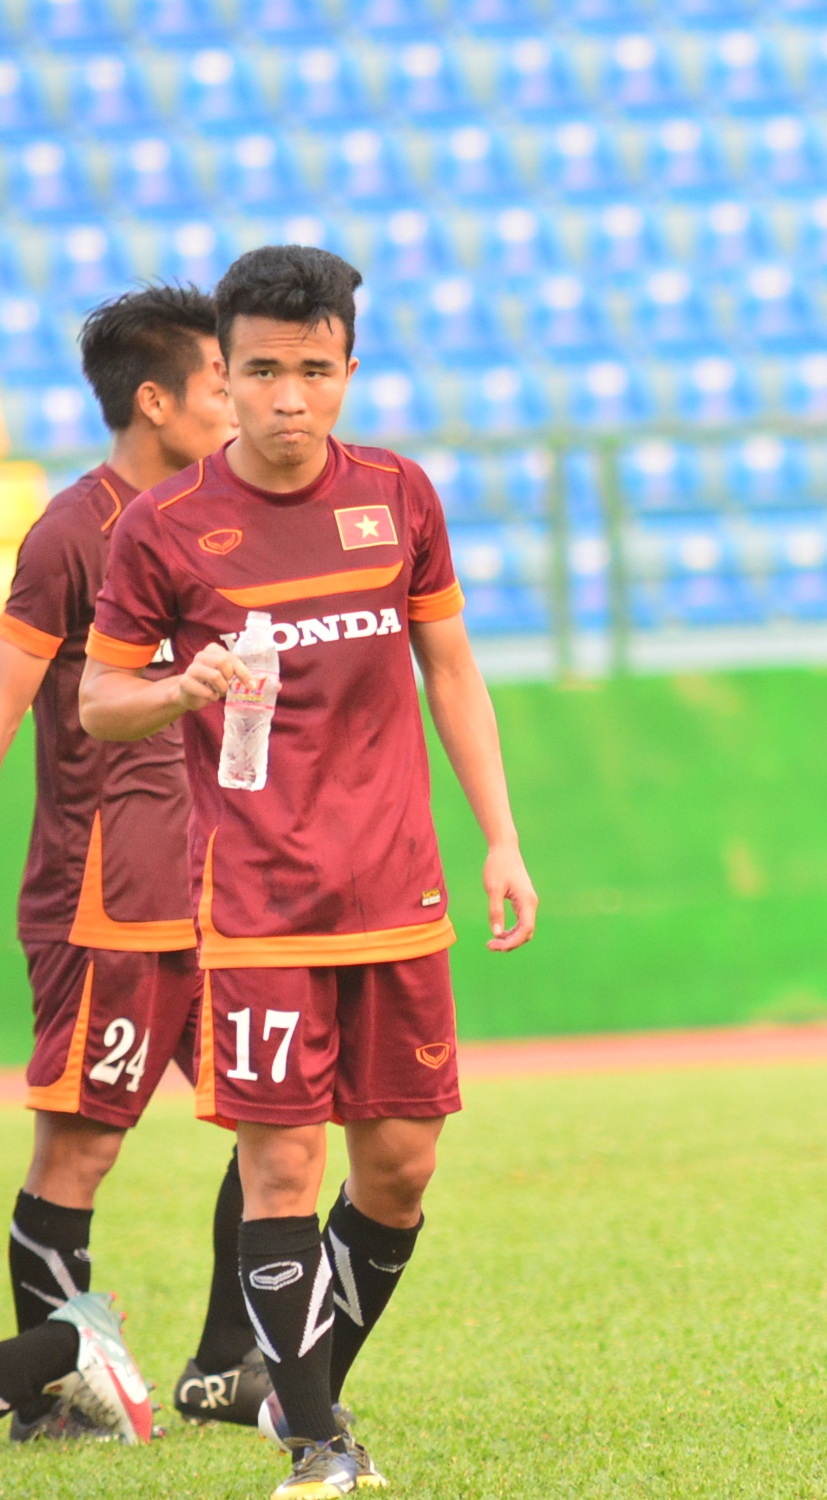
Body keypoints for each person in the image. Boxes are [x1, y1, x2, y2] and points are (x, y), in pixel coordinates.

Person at [80, 245, 539, 1500]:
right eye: (264, 371)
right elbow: (102, 699)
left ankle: (298, 1382)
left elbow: (451, 667)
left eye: (316, 371)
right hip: (260, 900)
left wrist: (500, 837)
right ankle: (317, 1440)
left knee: (400, 1170)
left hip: (399, 889)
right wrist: (180, 685)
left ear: (349, 369)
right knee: (282, 1168)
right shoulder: (166, 528)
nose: (291, 398)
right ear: (223, 375)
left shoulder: (397, 493)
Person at [0, 286, 250, 1447]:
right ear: (155, 401)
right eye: (220, 386)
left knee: (282, 1122)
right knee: (82, 1148)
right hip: (107, 897)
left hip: (228, 890)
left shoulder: (229, 520)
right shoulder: (71, 533)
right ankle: (52, 1394)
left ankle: (224, 1368)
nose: (239, 406)